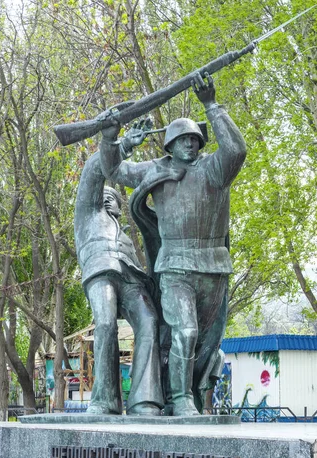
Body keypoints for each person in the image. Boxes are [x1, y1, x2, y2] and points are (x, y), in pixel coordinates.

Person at [100, 73, 246, 417]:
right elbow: (114, 170)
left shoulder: (215, 169)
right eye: (183, 139)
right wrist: (115, 139)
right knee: (186, 331)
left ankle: (186, 393)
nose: (191, 144)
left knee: (207, 344)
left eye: (195, 139)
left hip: (213, 268)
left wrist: (211, 104)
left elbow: (237, 149)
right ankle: (181, 401)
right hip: (175, 268)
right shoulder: (155, 171)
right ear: (169, 145)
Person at [74, 151, 164, 416]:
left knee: (149, 322)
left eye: (112, 198)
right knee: (104, 324)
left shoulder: (123, 234)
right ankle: (105, 400)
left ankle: (143, 400)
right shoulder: (88, 215)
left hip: (131, 278)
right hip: (101, 270)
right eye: (103, 197)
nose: (106, 200)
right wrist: (119, 146)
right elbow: (94, 168)